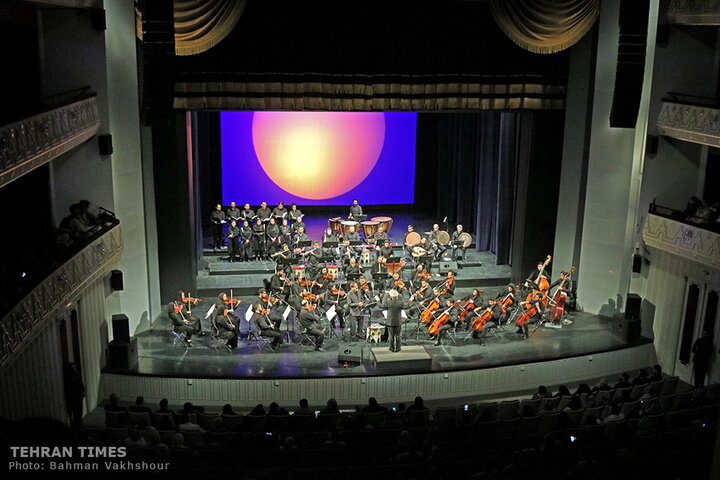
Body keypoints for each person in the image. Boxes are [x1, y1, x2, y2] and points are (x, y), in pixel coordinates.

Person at [63, 362, 86, 435]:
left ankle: (79, 429)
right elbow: (71, 391)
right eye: (73, 368)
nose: (74, 369)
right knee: (76, 416)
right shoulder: (70, 379)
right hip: (75, 400)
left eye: (75, 368)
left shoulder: (77, 374)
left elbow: (80, 383)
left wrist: (83, 391)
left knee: (79, 415)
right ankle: (77, 430)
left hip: (79, 398)